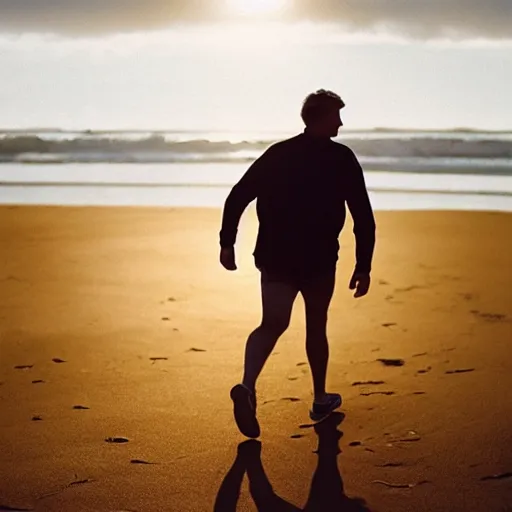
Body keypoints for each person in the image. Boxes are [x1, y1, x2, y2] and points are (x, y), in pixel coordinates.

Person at [219, 89, 376, 439]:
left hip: (275, 255)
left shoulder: (279, 154)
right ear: (320, 117)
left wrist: (227, 242)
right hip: (318, 259)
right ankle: (320, 398)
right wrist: (363, 265)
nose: (341, 122)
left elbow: (238, 195)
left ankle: (247, 386)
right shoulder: (341, 158)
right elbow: (362, 215)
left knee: (272, 323)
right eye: (336, 115)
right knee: (316, 326)